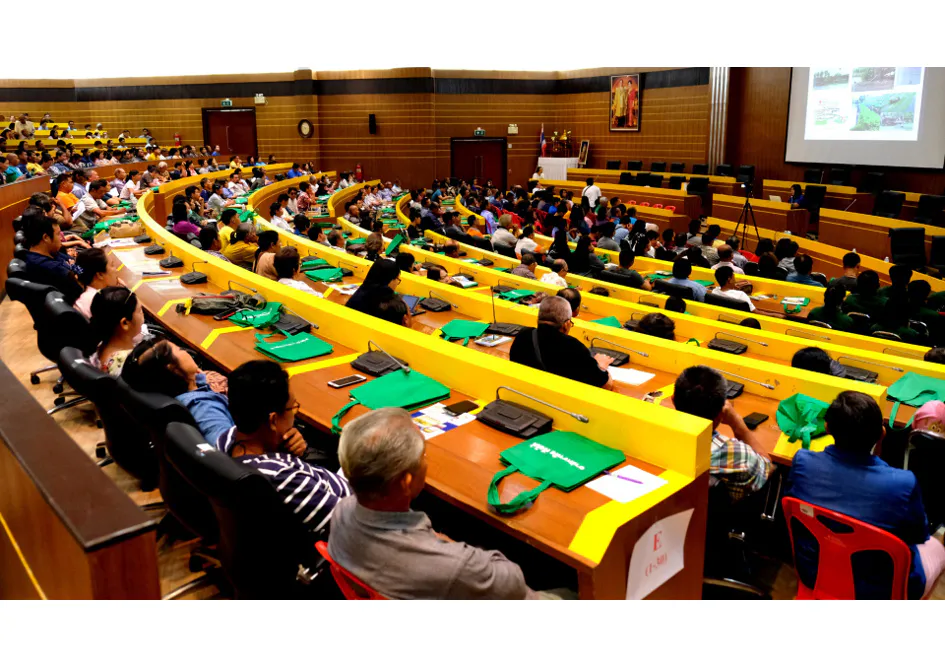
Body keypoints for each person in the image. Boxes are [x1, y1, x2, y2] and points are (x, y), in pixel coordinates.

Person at [329, 408, 538, 599]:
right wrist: (449, 545)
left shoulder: (341, 512)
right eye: (422, 455)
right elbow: (514, 584)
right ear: (405, 482)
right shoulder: (455, 567)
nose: (425, 461)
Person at [785, 391, 945, 599]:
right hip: (881, 592)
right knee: (936, 547)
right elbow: (918, 536)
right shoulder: (903, 485)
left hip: (813, 573)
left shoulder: (802, 462)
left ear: (827, 428)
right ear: (882, 434)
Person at [220, 361, 351, 535]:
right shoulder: (282, 478)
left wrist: (286, 450)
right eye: (293, 408)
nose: (294, 415)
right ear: (273, 420)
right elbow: (353, 524)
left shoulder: (226, 439)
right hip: (358, 505)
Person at [673, 366, 773, 502]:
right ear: (721, 414)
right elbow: (767, 467)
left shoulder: (656, 435)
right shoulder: (735, 453)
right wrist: (737, 423)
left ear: (673, 399)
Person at [122, 338, 232, 446]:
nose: (186, 352)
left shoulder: (185, 387)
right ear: (173, 368)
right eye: (180, 349)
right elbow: (224, 447)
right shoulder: (202, 406)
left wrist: (192, 376)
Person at [509, 296, 614, 390]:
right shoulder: (574, 347)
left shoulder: (523, 335)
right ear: (566, 324)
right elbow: (605, 385)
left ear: (538, 319)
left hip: (523, 395)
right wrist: (601, 366)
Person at [20, 212, 84, 303]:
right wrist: (74, 272)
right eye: (58, 234)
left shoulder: (50, 252)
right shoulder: (50, 267)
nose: (61, 238)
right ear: (46, 237)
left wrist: (74, 270)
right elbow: (81, 290)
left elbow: (73, 263)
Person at [89, 286, 145, 376]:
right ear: (125, 323)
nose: (143, 314)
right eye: (140, 310)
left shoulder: (101, 344)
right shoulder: (129, 364)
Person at [73, 248, 121, 318]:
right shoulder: (102, 302)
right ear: (100, 275)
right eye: (112, 265)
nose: (116, 270)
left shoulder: (87, 295)